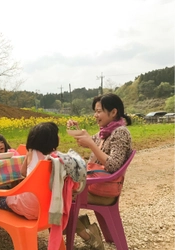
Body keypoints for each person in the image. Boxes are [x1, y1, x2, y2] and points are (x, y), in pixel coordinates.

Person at [0, 122, 60, 250]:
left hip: (28, 208)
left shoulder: (32, 153)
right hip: (49, 209)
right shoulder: (57, 158)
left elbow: (23, 172)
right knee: (8, 192)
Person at [67, 93, 132, 250]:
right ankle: (83, 227)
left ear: (113, 112)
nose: (95, 115)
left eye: (99, 111)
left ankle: (87, 235)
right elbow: (86, 140)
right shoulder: (105, 132)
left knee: (60, 194)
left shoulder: (120, 132)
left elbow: (114, 165)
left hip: (104, 191)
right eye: (95, 111)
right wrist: (74, 129)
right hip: (97, 186)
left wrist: (91, 144)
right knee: (62, 191)